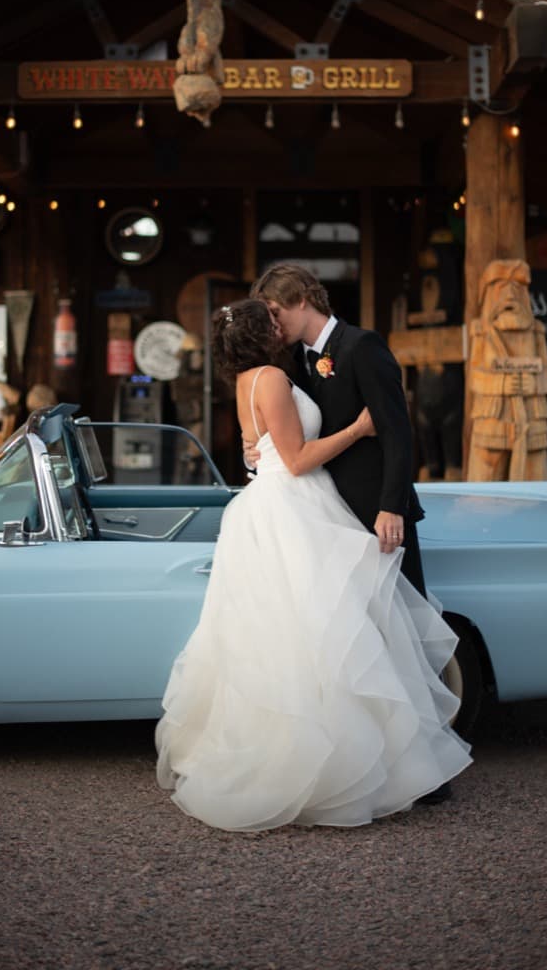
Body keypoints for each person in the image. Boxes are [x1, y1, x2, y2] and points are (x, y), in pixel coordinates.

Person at [155, 299, 471, 832]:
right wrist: (360, 428)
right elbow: (298, 460)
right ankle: (341, 766)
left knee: (296, 639)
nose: (281, 327)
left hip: (267, 507)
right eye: (271, 322)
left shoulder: (245, 381)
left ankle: (328, 757)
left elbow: (262, 449)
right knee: (328, 635)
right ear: (264, 334)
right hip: (294, 507)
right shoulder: (273, 378)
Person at [250, 263, 426, 595]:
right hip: (327, 514)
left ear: (301, 299)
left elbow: (397, 432)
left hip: (376, 509)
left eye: (275, 312)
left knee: (406, 619)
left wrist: (391, 507)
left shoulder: (362, 346)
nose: (272, 324)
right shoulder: (289, 361)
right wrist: (257, 450)